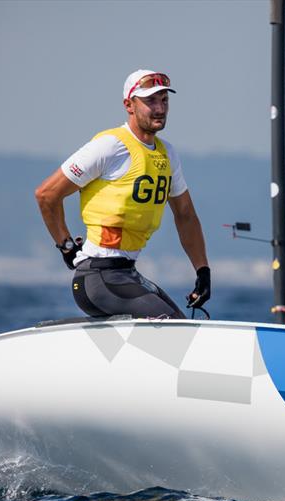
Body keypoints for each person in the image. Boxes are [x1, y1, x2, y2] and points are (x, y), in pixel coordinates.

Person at [35, 69, 210, 319]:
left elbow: (185, 215)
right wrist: (66, 247)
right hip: (97, 278)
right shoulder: (110, 146)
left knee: (181, 325)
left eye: (164, 100)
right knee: (175, 328)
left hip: (126, 274)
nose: (159, 108)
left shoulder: (167, 154)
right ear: (129, 105)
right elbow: (46, 194)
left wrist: (202, 271)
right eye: (150, 101)